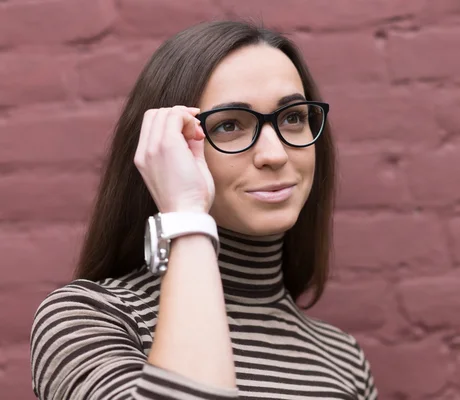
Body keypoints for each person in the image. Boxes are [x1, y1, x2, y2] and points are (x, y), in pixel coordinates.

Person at [30, 20, 378, 400]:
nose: (275, 154)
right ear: (168, 149)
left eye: (292, 117)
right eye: (229, 125)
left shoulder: (343, 359)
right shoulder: (91, 319)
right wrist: (187, 216)